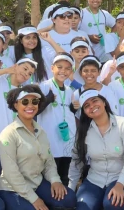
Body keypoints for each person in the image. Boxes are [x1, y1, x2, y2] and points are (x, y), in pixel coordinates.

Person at [0, 85, 77, 210]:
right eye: (25, 101)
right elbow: (11, 173)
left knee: (69, 198)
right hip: (11, 188)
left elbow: (49, 161)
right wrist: (34, 199)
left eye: (35, 101)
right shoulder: (8, 134)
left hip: (36, 182)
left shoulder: (40, 131)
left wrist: (55, 180)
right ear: (16, 105)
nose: (30, 105)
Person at [68, 90, 124, 210]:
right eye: (86, 105)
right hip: (94, 180)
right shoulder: (83, 131)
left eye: (94, 101)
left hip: (123, 179)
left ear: (104, 102)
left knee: (113, 203)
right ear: (85, 112)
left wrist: (120, 184)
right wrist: (71, 189)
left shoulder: (123, 124)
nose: (92, 106)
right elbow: (76, 162)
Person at [38, 54, 79, 184]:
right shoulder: (43, 87)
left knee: (64, 176)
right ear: (52, 68)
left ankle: (64, 203)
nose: (63, 71)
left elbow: (68, 113)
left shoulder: (69, 91)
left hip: (66, 141)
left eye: (67, 68)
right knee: (49, 177)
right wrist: (46, 101)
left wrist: (74, 109)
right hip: (50, 141)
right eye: (59, 67)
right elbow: (34, 111)